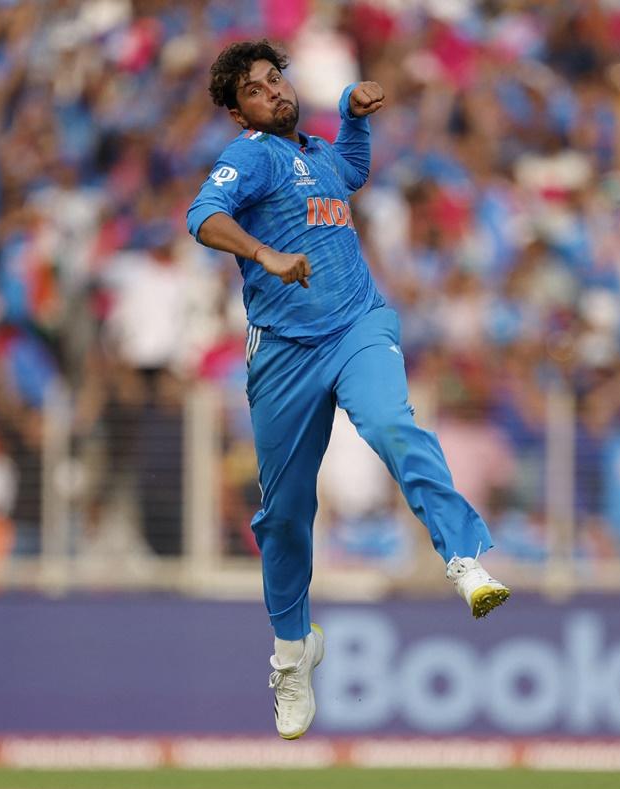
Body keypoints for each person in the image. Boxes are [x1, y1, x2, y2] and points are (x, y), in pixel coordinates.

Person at [186, 40, 509, 740]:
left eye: (277, 80)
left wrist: (352, 115)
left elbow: (349, 171)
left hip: (358, 325)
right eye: (255, 89)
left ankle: (463, 560)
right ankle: (293, 652)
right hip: (285, 356)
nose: (272, 92)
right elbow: (201, 218)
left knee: (394, 425)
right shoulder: (251, 155)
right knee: (285, 515)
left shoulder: (318, 153)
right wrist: (265, 253)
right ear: (236, 109)